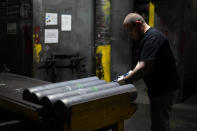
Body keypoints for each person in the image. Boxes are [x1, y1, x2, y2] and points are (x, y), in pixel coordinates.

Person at [118, 13, 180, 131]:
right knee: (159, 121)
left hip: (164, 89)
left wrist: (126, 80)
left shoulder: (153, 38)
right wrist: (127, 75)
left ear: (138, 24)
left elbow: (144, 67)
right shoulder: (145, 38)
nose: (131, 35)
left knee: (159, 124)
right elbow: (140, 61)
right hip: (158, 88)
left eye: (131, 32)